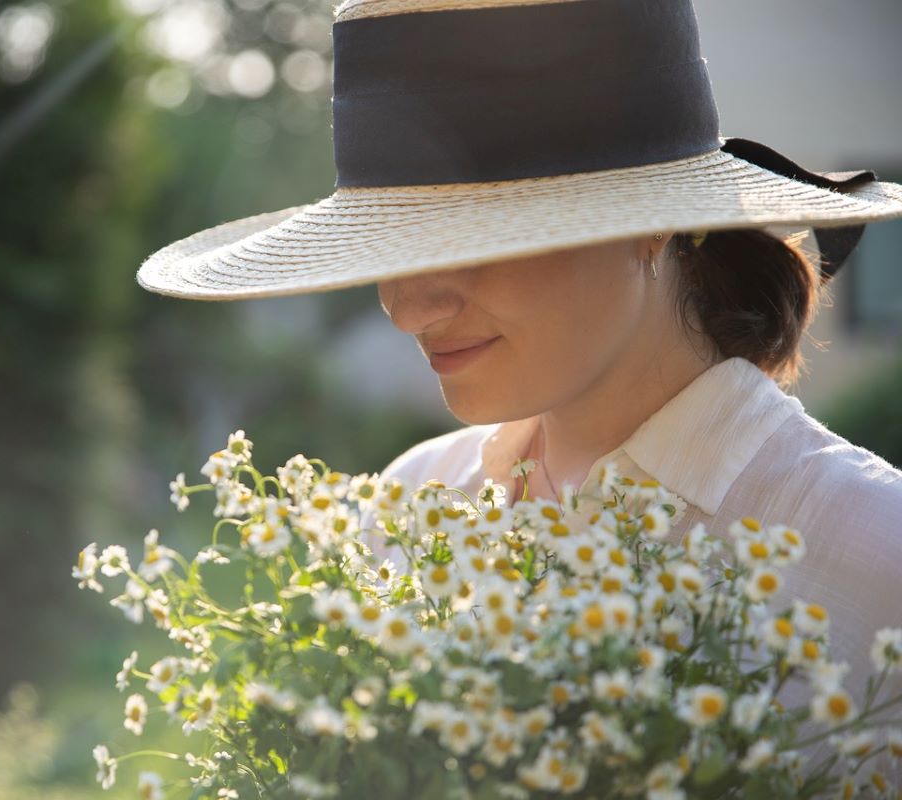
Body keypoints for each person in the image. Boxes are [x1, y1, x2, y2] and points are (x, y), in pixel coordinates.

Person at [135, 0, 902, 785]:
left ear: (651, 223)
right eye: (389, 247)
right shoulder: (412, 505)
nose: (406, 309)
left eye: (479, 242)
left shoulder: (880, 562)